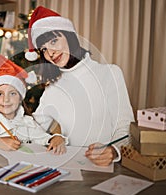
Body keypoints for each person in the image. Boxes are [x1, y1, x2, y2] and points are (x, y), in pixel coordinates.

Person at [25, 6, 135, 166]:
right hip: (72, 168)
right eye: (43, 49)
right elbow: (34, 128)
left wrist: (114, 151)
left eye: (54, 41)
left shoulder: (110, 73)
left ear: (69, 37)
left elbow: (125, 125)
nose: (51, 53)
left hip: (108, 168)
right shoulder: (53, 88)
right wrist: (54, 137)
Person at [0, 55, 67, 154]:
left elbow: (42, 137)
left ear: (20, 98)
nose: (6, 99)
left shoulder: (27, 122)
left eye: (12, 93)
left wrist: (55, 138)